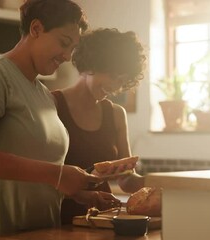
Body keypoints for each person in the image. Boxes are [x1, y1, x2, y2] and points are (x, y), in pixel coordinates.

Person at [0, 0, 106, 239]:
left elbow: (32, 170)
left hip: (40, 233)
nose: (67, 56)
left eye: (72, 48)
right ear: (36, 29)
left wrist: (72, 191)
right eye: (64, 43)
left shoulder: (44, 94)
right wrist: (57, 175)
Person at [51, 28, 147, 224]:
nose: (115, 87)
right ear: (91, 64)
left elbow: (127, 181)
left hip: (102, 218)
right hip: (57, 216)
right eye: (112, 76)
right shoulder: (51, 104)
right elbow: (41, 175)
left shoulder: (116, 115)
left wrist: (159, 183)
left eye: (121, 81)